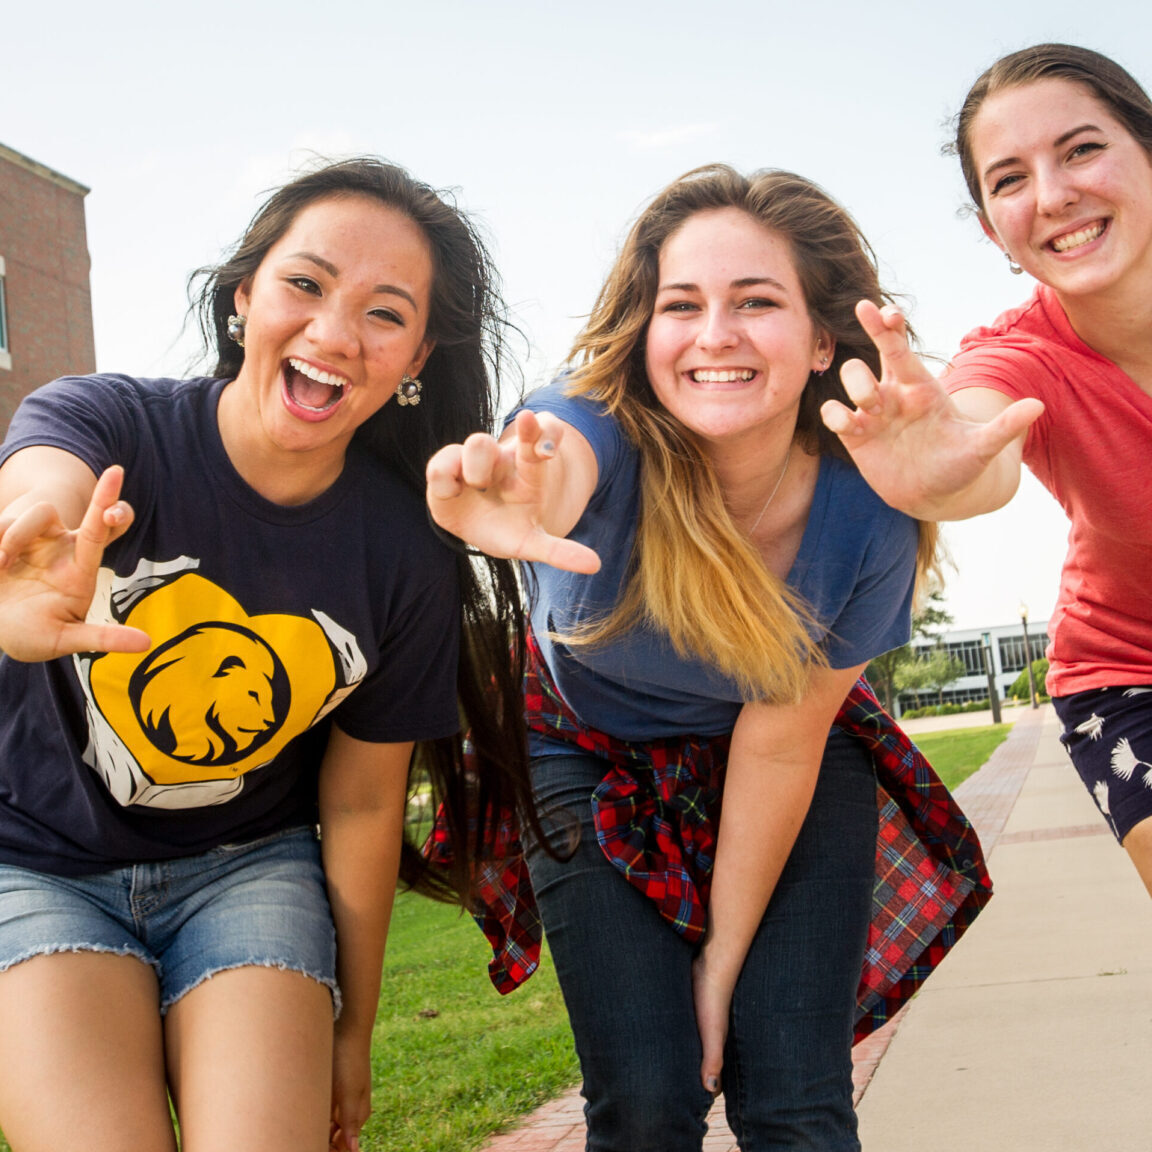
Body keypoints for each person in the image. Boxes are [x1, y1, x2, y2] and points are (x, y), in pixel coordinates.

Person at [427, 165, 990, 1152]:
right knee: (647, 1102)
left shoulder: (867, 510)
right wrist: (510, 495)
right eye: (681, 304)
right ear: (644, 332)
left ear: (822, 338)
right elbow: (550, 463)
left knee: (792, 1097)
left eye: (756, 302)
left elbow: (781, 746)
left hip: (783, 761)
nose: (714, 334)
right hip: (584, 752)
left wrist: (722, 966)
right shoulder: (587, 427)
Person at [0, 158, 534, 1152]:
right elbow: (41, 488)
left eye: (386, 312)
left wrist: (354, 1030)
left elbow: (366, 804)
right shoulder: (108, 421)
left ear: (418, 355)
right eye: (305, 283)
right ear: (243, 298)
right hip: (33, 865)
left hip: (245, 874)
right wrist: (27, 549)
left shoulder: (403, 556)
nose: (334, 333)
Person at [821, 43, 1152, 898]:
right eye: (1009, 180)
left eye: (1081, 149)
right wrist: (936, 467)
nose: (1052, 195)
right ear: (991, 228)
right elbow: (978, 447)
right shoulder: (1017, 356)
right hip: (1132, 676)